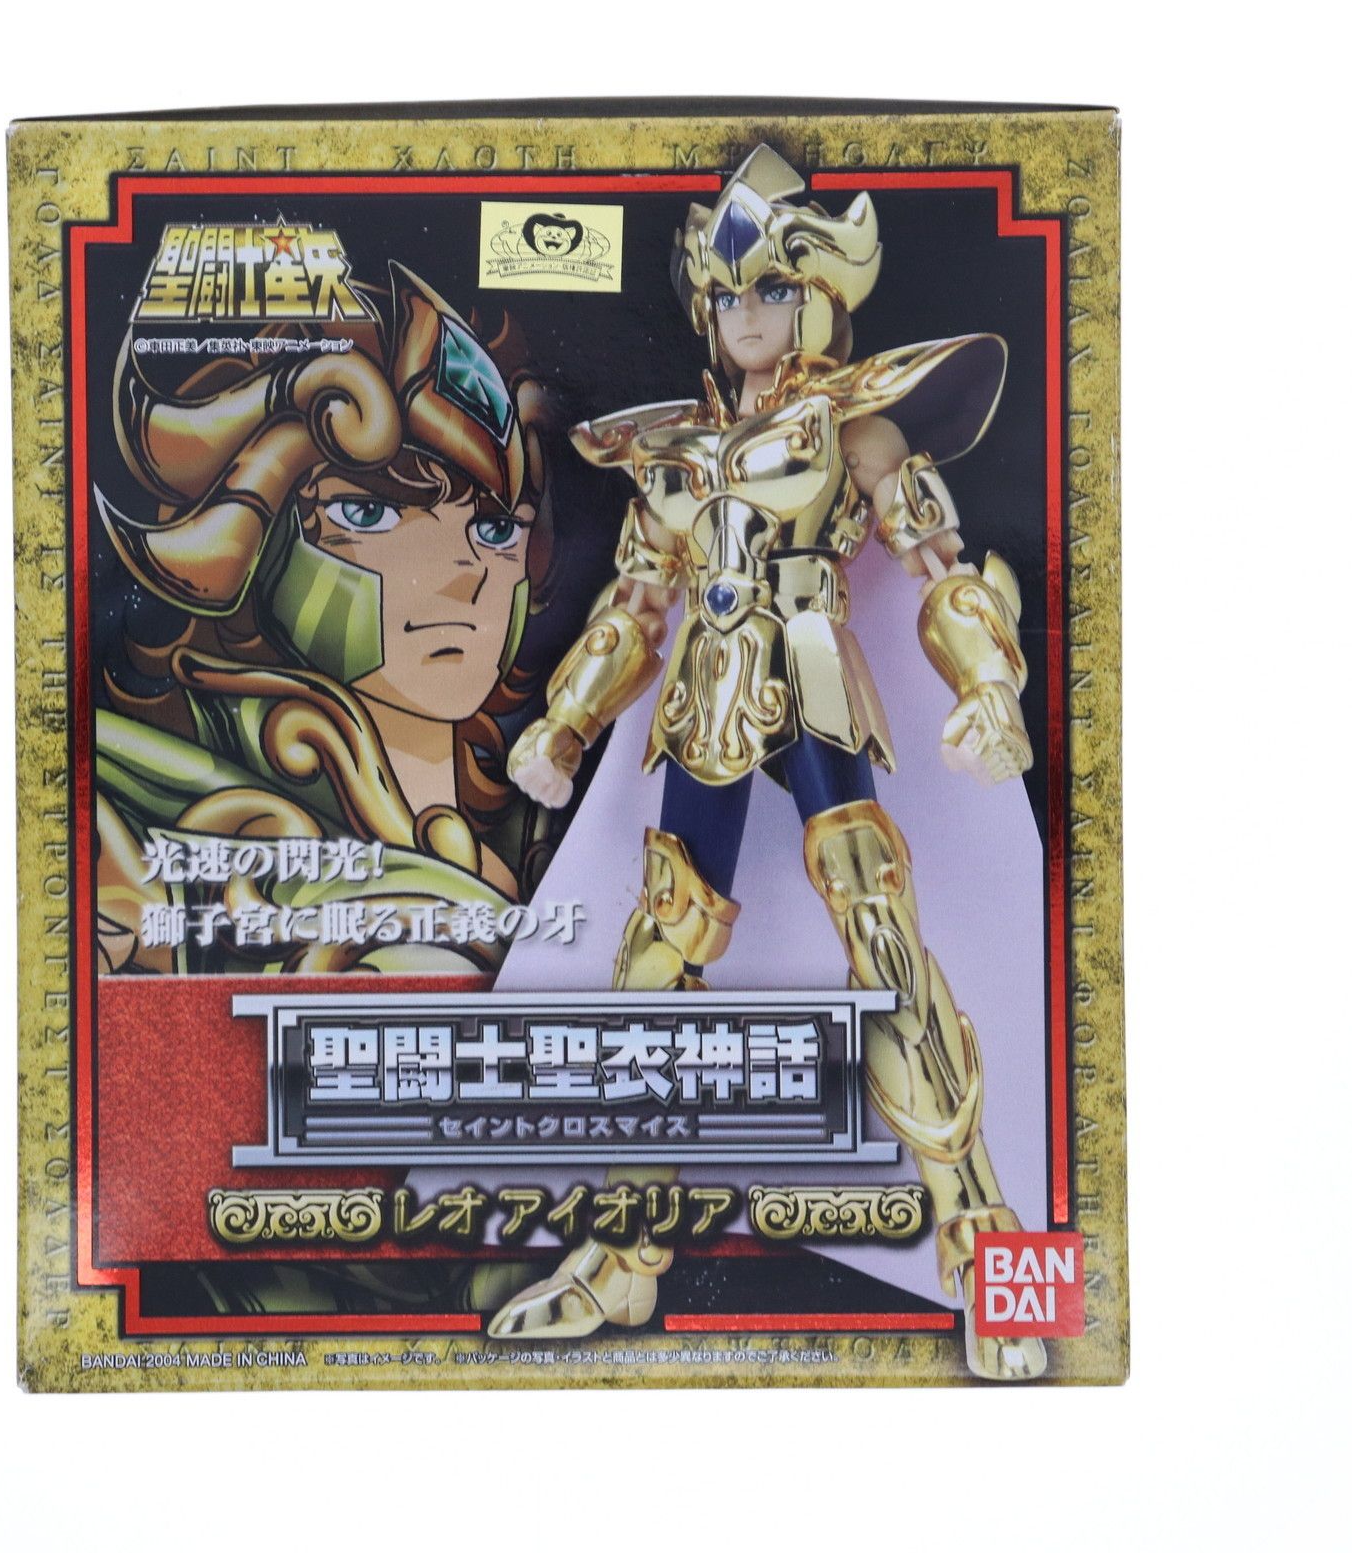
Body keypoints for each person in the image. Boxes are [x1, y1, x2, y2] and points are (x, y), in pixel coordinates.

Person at [490, 145, 1046, 1379]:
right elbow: (636, 606)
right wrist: (566, 721)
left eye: (775, 289)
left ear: (822, 298)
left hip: (816, 675)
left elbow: (939, 568)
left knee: (880, 930)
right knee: (656, 953)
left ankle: (981, 1240)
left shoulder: (854, 426)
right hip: (705, 695)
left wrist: (988, 683)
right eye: (729, 292)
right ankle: (623, 1251)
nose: (749, 313)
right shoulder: (671, 449)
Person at [92, 263, 563, 977]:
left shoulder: (546, 828)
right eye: (367, 514)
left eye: (497, 530)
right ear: (259, 545)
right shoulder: (159, 820)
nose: (462, 575)